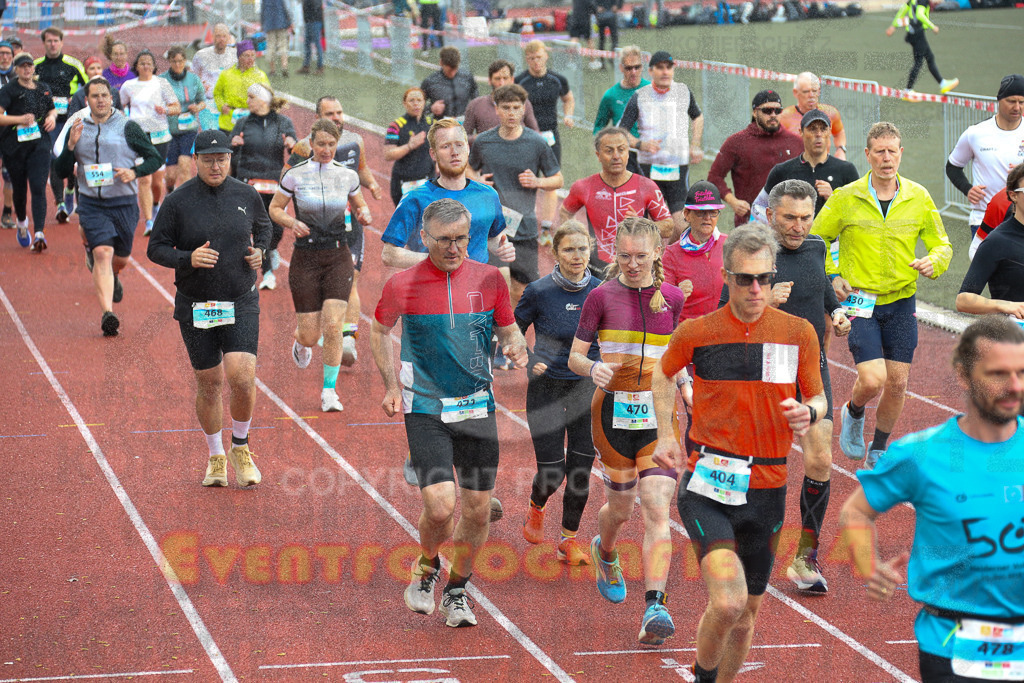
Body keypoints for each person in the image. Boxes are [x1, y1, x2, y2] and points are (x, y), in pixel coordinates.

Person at [652, 223, 826, 682]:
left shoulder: (798, 332)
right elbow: (662, 373)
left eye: (764, 279)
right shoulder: (697, 331)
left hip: (768, 488)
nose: (756, 289)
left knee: (746, 616)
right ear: (727, 276)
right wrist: (666, 435)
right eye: (745, 279)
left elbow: (818, 396)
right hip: (707, 484)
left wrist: (809, 411)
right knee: (728, 602)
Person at [838, 315, 1024, 683]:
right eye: (998, 373)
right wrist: (867, 563)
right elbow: (856, 511)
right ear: (964, 376)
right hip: (952, 646)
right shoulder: (921, 454)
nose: (1014, 386)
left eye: (1021, 373)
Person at [371, 198, 527, 627]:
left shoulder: (490, 279)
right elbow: (379, 330)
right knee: (440, 508)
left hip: (477, 408)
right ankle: (426, 566)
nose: (454, 248)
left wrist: (515, 344)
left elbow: (508, 328)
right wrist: (390, 386)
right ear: (424, 238)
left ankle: (457, 591)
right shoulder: (402, 284)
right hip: (425, 407)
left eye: (461, 239)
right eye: (444, 240)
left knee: (477, 511)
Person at [719, 180, 850, 593]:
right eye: (790, 217)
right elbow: (724, 316)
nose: (799, 226)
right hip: (763, 364)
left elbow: (822, 291)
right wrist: (763, 300)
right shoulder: (751, 254)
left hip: (810, 364)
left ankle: (805, 556)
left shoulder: (815, 247)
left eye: (806, 217)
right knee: (755, 463)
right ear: (771, 214)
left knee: (821, 457)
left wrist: (838, 313)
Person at [567, 216, 686, 646]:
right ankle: (605, 549)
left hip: (659, 415)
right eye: (624, 256)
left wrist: (686, 385)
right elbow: (575, 357)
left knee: (656, 505)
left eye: (640, 256)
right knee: (619, 508)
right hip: (611, 416)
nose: (632, 264)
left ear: (657, 253)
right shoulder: (600, 297)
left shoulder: (673, 298)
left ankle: (656, 605)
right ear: (613, 254)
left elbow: (675, 356)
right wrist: (592, 368)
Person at [812, 122, 952, 469]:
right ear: (868, 154)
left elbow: (942, 244)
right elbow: (817, 239)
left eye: (892, 151)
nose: (887, 158)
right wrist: (833, 275)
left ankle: (879, 447)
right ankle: (854, 410)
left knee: (899, 382)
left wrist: (935, 261)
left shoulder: (918, 196)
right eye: (880, 152)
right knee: (874, 379)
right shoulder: (846, 197)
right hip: (860, 300)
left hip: (902, 300)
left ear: (901, 153)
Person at [146, 129, 272, 489]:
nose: (216, 166)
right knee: (210, 383)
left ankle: (240, 446)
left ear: (230, 159)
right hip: (196, 304)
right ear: (195, 160)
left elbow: (265, 228)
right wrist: (188, 258)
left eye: (222, 159)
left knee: (242, 378)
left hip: (240, 299)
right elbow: (156, 248)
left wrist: (261, 251)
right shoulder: (177, 201)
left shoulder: (246, 194)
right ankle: (216, 455)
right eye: (208, 160)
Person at [270, 119, 371, 412]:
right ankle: (301, 342)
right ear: (311, 144)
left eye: (331, 144)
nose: (326, 150)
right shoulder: (295, 175)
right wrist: (292, 222)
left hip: (338, 256)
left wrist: (364, 214)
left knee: (334, 325)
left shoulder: (347, 175)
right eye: (321, 144)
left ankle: (329, 391)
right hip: (306, 259)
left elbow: (360, 204)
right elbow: (275, 209)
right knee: (311, 335)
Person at [515, 221, 600, 566]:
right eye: (568, 249)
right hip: (546, 388)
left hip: (587, 388)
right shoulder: (538, 291)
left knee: (581, 470)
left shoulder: (602, 291)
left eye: (582, 249)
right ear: (555, 252)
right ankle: (537, 505)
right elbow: (511, 330)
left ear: (590, 250)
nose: (577, 256)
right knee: (552, 473)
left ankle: (569, 540)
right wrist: (528, 359)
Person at [55, 77, 162, 336]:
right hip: (91, 202)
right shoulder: (77, 127)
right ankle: (107, 314)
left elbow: (154, 158)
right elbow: (60, 171)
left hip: (124, 202)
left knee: (120, 258)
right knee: (102, 252)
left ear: (111, 98)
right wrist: (70, 146)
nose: (100, 100)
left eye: (104, 95)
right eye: (95, 96)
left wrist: (134, 172)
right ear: (87, 100)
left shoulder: (128, 127)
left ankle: (114, 275)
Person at [288, 95, 383, 365]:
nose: (337, 118)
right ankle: (305, 337)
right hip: (317, 232)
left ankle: (348, 338)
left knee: (352, 278)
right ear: (318, 118)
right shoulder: (303, 147)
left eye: (339, 112)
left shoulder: (355, 141)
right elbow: (287, 179)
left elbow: (361, 168)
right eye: (330, 114)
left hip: (349, 225)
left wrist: (372, 184)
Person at [468, 83, 563, 305]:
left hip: (524, 228)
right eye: (506, 107)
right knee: (497, 282)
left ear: (524, 109)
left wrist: (537, 181)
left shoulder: (536, 143)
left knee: (522, 291)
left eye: (516, 108)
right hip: (492, 225)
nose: (511, 113)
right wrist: (476, 180)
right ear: (497, 109)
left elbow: (558, 179)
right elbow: (469, 168)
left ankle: (511, 326)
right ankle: (496, 325)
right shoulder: (483, 141)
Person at [382, 118, 512, 270]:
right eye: (446, 146)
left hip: (475, 284)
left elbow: (492, 237)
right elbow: (389, 254)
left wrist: (503, 248)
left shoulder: (488, 195)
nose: (454, 152)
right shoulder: (415, 199)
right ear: (433, 154)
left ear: (467, 149)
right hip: (432, 283)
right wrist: (435, 259)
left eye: (459, 145)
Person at [560, 126, 672, 272]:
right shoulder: (584, 186)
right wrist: (575, 238)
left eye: (621, 150)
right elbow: (565, 212)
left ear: (628, 153)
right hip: (597, 269)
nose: (616, 156)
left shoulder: (646, 186)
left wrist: (642, 226)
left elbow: (668, 227)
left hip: (636, 268)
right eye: (609, 151)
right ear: (598, 155)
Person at [619, 50, 705, 239]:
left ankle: (669, 255)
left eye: (668, 67)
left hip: (677, 167)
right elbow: (622, 131)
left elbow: (697, 117)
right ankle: (647, 254)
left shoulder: (683, 91)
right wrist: (640, 144)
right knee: (643, 225)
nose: (665, 72)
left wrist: (695, 144)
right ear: (650, 71)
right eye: (660, 68)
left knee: (681, 226)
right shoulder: (640, 96)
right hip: (647, 168)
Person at [229, 83, 295, 292]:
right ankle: (267, 273)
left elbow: (295, 149)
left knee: (277, 228)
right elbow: (229, 152)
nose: (248, 101)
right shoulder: (242, 123)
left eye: (252, 97)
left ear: (264, 100)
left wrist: (292, 143)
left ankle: (271, 249)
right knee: (258, 228)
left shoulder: (283, 123)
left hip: (274, 181)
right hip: (248, 180)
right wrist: (232, 143)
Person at [946, 74, 1024, 239]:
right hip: (984, 218)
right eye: (1011, 101)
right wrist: (967, 189)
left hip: (1020, 218)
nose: (1017, 107)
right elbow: (953, 166)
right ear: (999, 100)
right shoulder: (976, 133)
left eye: (1022, 102)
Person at [707, 90, 801, 227]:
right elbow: (714, 177)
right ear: (755, 112)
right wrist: (733, 201)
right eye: (767, 111)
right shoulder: (736, 142)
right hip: (750, 223)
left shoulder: (796, 142)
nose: (773, 115)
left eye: (777, 111)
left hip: (788, 222)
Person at [751, 108, 861, 223]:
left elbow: (860, 213)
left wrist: (834, 199)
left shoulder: (846, 170)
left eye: (823, 129)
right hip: (792, 234)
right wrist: (779, 226)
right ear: (801, 132)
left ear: (829, 132)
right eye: (812, 129)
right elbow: (758, 207)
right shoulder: (782, 171)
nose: (818, 134)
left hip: (832, 235)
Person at [516, 40, 574, 242]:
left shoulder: (557, 80)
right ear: (527, 59)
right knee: (525, 180)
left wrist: (568, 115)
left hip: (551, 137)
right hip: (527, 138)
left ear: (546, 56)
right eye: (532, 58)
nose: (536, 62)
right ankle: (525, 224)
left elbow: (568, 99)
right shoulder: (520, 81)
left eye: (539, 57)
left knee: (551, 181)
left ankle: (547, 228)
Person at [119, 50, 181, 236]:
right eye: (142, 63)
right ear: (136, 66)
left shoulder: (161, 83)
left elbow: (176, 107)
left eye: (149, 63)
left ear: (154, 67)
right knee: (144, 179)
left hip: (160, 136)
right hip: (139, 137)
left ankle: (155, 204)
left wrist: (166, 110)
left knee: (156, 181)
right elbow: (119, 106)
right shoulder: (128, 86)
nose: (146, 66)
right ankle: (148, 222)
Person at [0, 52, 56, 252]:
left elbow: (52, 109)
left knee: (38, 186)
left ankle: (39, 233)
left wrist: (52, 117)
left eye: (29, 65)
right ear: (16, 69)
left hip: (40, 143)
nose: (26, 69)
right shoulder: (9, 90)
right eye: (22, 66)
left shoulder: (43, 88)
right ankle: (22, 223)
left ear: (33, 68)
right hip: (14, 145)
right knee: (20, 190)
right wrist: (20, 119)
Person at [34, 27, 87, 225]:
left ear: (62, 42)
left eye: (56, 40)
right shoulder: (36, 66)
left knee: (74, 159)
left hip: (71, 120)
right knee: (54, 161)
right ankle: (60, 205)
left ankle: (71, 189)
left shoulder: (73, 64)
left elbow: (88, 89)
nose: (53, 44)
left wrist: (75, 99)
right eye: (49, 41)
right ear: (44, 43)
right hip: (48, 123)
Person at [956, 165, 1024, 318]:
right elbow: (963, 300)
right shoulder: (997, 241)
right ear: (1013, 196)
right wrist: (1005, 305)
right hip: (1013, 330)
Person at [662, 181, 727, 321]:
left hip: (725, 330)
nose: (707, 218)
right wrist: (676, 295)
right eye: (701, 212)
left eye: (713, 212)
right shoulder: (672, 254)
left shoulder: (730, 245)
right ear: (687, 214)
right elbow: (661, 304)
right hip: (687, 331)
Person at [593, 45, 649, 174]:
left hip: (649, 154)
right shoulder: (611, 95)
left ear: (642, 67)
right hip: (624, 156)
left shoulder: (651, 89)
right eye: (629, 68)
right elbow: (599, 127)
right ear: (621, 68)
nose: (633, 72)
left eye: (637, 67)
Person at [886, 0, 959, 97]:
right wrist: (932, 26)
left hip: (913, 33)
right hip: (917, 34)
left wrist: (893, 26)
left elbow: (903, 9)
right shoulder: (923, 0)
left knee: (929, 57)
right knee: (919, 62)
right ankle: (908, 90)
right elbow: (920, 15)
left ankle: (942, 83)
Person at [463, 59, 539, 145]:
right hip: (487, 150)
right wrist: (481, 137)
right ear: (490, 80)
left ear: (512, 80)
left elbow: (535, 133)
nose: (501, 83)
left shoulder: (523, 103)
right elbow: (463, 138)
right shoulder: (476, 105)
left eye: (505, 78)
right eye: (497, 79)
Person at [161, 46, 204, 195]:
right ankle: (170, 191)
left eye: (180, 61)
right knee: (171, 175)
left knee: (185, 165)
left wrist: (197, 107)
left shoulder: (193, 79)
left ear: (185, 61)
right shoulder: (162, 80)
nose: (178, 64)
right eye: (174, 61)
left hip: (189, 129)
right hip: (169, 130)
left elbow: (202, 101)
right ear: (169, 61)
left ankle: (187, 201)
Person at [384, 87, 436, 207]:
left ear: (424, 102)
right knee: (408, 216)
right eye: (411, 100)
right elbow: (388, 154)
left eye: (419, 100)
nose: (416, 104)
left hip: (428, 180)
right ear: (404, 103)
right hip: (403, 183)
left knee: (428, 216)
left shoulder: (431, 124)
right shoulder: (396, 125)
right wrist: (409, 146)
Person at [778, 72, 848, 160]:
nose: (811, 95)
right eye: (806, 91)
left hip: (823, 165)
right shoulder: (784, 117)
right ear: (795, 92)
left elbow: (839, 133)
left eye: (814, 91)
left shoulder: (831, 113)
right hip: (796, 165)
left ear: (819, 91)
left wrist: (841, 149)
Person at [213, 39, 269, 133]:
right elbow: (217, 93)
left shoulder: (261, 76)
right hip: (228, 124)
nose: (251, 59)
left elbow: (267, 98)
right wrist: (221, 106)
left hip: (252, 123)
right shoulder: (226, 74)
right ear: (239, 57)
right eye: (246, 55)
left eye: (252, 55)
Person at [191, 24, 235, 131]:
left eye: (224, 36)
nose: (221, 39)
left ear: (229, 38)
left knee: (229, 136)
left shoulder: (235, 55)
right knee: (211, 137)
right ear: (213, 37)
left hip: (228, 104)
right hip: (208, 104)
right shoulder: (201, 55)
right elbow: (193, 77)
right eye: (218, 36)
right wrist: (200, 87)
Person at [421, 46, 477, 121]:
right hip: (440, 125)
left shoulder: (468, 78)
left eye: (455, 69)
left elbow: (477, 102)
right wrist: (431, 108)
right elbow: (415, 109)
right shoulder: (430, 82)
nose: (452, 74)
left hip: (464, 125)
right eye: (449, 71)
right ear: (441, 63)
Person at [260, 0, 293, 77]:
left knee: (270, 46)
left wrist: (263, 24)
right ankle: (284, 67)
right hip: (281, 23)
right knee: (283, 46)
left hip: (269, 25)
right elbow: (285, 9)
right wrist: (289, 22)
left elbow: (262, 12)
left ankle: (272, 70)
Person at [0, 39, 13, 228]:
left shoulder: (18, 77)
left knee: (9, 174)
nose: (4, 57)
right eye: (1, 53)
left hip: (10, 132)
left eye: (7, 53)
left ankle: (7, 212)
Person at [299, 0, 324, 76]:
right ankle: (306, 66)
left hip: (314, 21)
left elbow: (315, 6)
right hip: (309, 21)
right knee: (307, 44)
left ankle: (320, 67)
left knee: (317, 44)